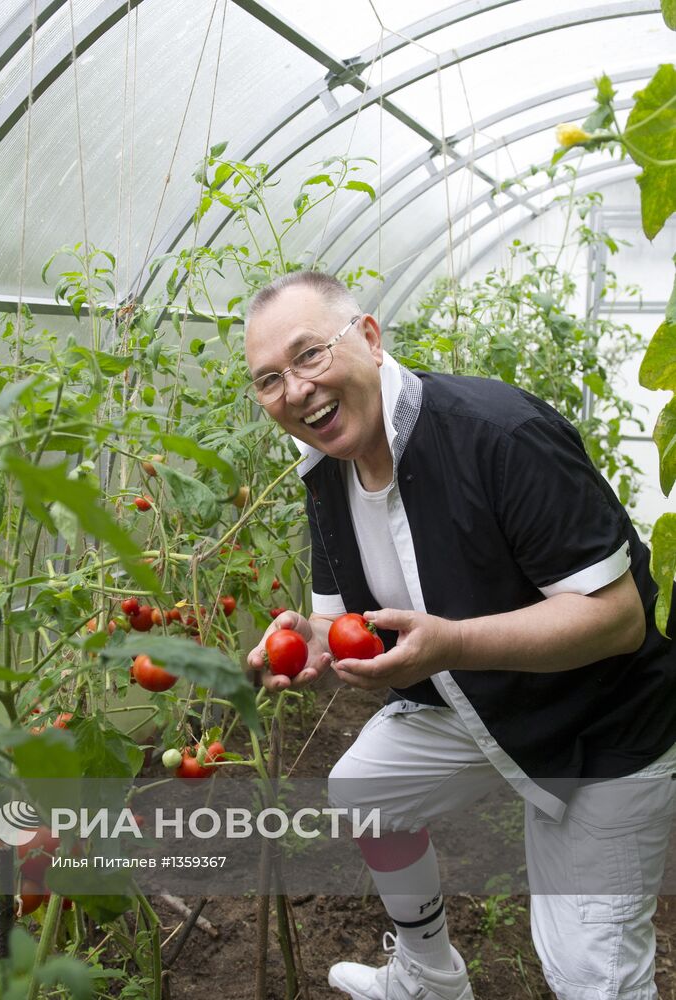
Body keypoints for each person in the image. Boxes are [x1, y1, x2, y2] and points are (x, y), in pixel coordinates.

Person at [244, 270, 676, 1000]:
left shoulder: (498, 434)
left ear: (371, 339)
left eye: (310, 354)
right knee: (363, 791)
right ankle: (429, 977)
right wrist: (311, 642)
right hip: (475, 699)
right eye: (268, 379)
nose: (294, 390)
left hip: (603, 723)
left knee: (589, 976)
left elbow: (615, 619)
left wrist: (448, 644)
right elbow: (333, 619)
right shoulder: (326, 470)